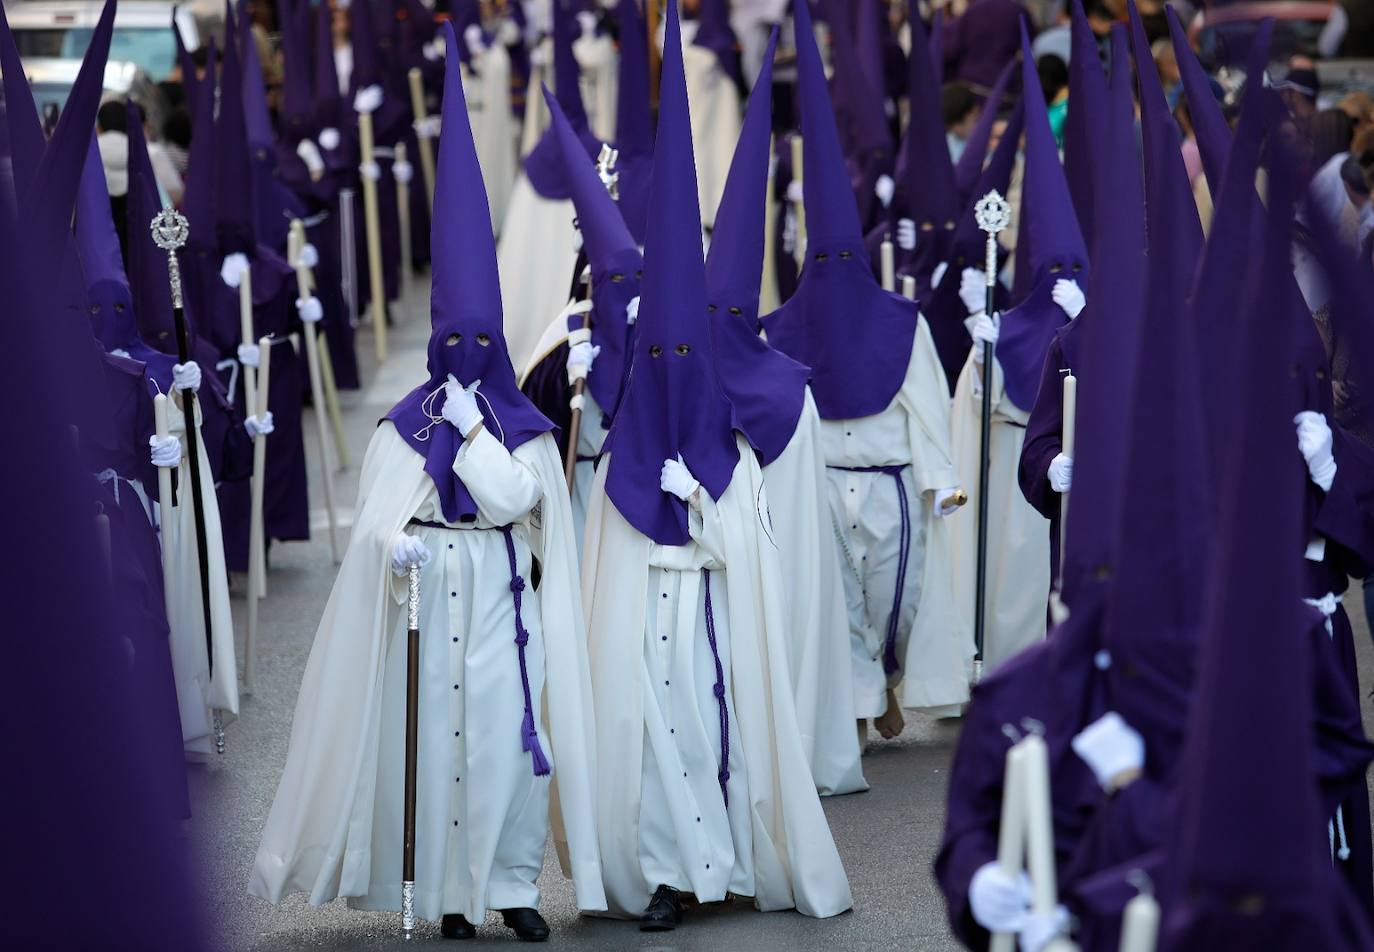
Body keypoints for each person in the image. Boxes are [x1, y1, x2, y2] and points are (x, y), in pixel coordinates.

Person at [250, 25, 603, 940]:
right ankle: (447, 892)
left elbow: (517, 500)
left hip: (494, 585)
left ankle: (512, 889)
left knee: (501, 742)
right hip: (425, 593)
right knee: (432, 748)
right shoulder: (404, 422)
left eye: (479, 346)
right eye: (455, 345)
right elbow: (374, 515)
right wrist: (389, 539)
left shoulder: (517, 420)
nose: (467, 359)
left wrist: (471, 432)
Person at [580, 2, 852, 929]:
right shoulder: (621, 459)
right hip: (642, 641)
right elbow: (594, 585)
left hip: (705, 627)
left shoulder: (729, 452)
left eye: (679, 359)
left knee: (711, 739)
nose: (667, 373)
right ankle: (661, 871)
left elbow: (757, 568)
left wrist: (703, 505)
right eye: (654, 360)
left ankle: (719, 864)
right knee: (645, 742)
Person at [766, 0, 971, 741]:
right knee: (836, 601)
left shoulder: (901, 323)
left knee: (896, 599)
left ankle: (884, 677)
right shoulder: (782, 330)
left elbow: (923, 397)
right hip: (822, 483)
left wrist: (940, 478)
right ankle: (854, 706)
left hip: (890, 486)